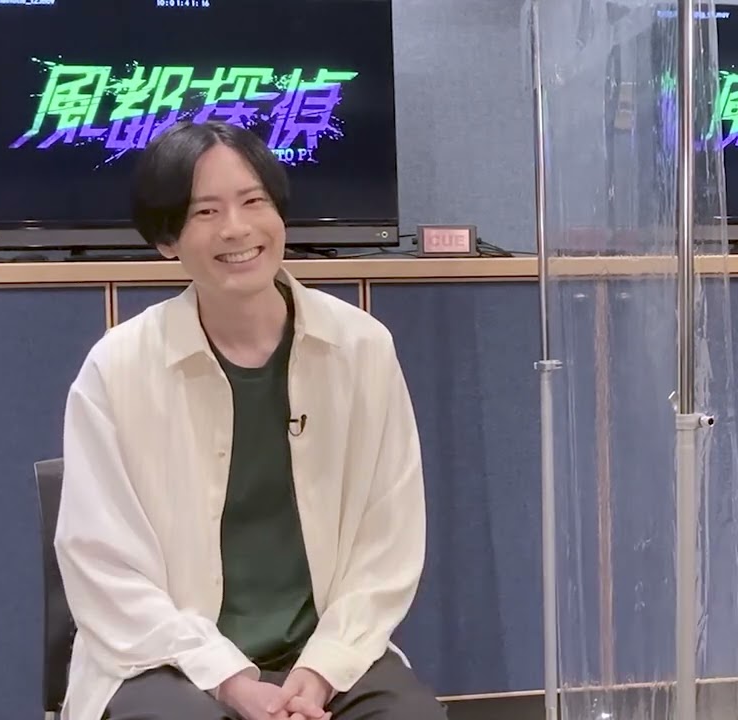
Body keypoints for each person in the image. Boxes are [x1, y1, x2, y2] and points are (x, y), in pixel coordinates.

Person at [54, 120, 447, 720]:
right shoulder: (117, 367)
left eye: (253, 201)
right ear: (166, 240)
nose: (236, 228)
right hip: (167, 659)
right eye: (205, 212)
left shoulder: (361, 347)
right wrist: (229, 679)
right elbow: (101, 564)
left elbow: (387, 544)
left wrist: (319, 674)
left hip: (325, 653)